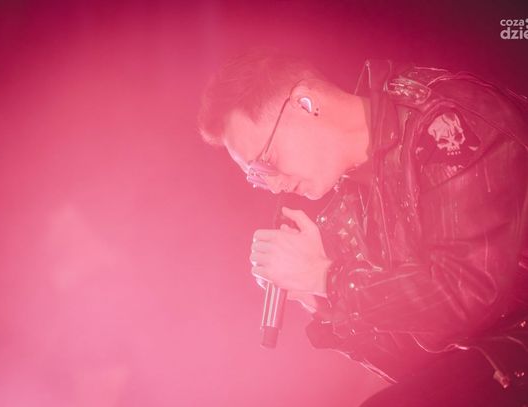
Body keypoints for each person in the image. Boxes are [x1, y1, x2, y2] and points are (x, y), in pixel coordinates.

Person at [197, 50, 528, 406]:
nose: (274, 186)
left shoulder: (443, 119)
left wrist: (327, 278)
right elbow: (413, 363)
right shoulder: (352, 209)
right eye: (257, 178)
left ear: (305, 103)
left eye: (266, 162)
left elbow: (466, 291)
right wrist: (317, 297)